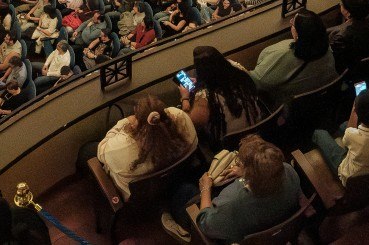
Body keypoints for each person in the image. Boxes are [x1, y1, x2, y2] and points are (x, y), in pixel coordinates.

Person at [164, 135, 302, 243]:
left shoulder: (231, 203)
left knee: (184, 191)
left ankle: (183, 228)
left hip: (233, 236)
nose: (237, 163)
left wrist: (205, 188)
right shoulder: (289, 171)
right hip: (271, 227)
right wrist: (247, 172)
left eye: (240, 162)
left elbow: (204, 225)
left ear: (251, 175)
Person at [95, 94, 197, 198]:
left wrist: (125, 121)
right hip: (174, 181)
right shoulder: (181, 116)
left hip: (143, 200)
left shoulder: (119, 148)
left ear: (137, 124)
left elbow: (101, 151)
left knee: (86, 151)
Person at [311, 87, 369, 184]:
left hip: (349, 179)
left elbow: (347, 136)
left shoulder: (351, 135)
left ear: (356, 113)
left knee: (319, 134)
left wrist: (354, 110)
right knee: (344, 125)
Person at [178, 45, 269, 145]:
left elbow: (189, 125)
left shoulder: (206, 96)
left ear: (200, 70)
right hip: (259, 132)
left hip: (232, 146)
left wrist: (185, 98)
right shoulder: (240, 74)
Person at [248, 9, 338, 107]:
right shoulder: (329, 49)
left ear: (298, 34)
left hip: (290, 110)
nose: (290, 22)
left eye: (293, 23)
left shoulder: (281, 54)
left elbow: (257, 82)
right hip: (324, 104)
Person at [327, 0, 369, 72]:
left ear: (348, 12)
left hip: (348, 71)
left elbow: (335, 62)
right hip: (366, 59)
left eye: (342, 3)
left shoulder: (338, 37)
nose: (340, 4)